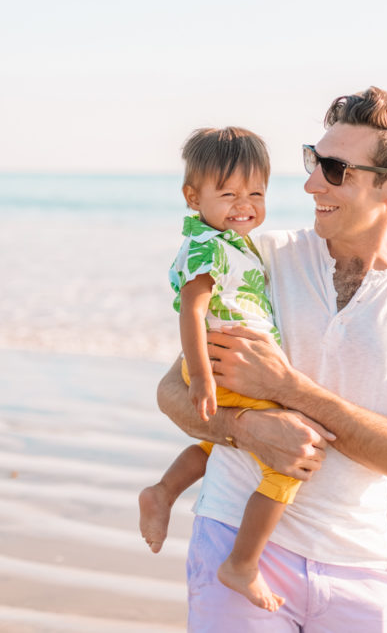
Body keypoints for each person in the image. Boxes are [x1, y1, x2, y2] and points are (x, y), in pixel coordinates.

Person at [157, 87, 387, 632]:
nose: (309, 183)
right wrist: (248, 429)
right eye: (313, 161)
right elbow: (173, 393)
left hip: (364, 569)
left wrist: (290, 388)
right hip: (235, 540)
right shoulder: (257, 256)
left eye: (334, 169)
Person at [139, 126, 319, 613]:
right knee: (290, 463)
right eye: (229, 194)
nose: (246, 204)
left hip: (234, 370)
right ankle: (241, 563)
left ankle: (163, 491)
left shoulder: (235, 243)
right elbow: (191, 312)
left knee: (210, 443)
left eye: (256, 193)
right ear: (193, 197)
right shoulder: (207, 247)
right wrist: (198, 376)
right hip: (225, 370)